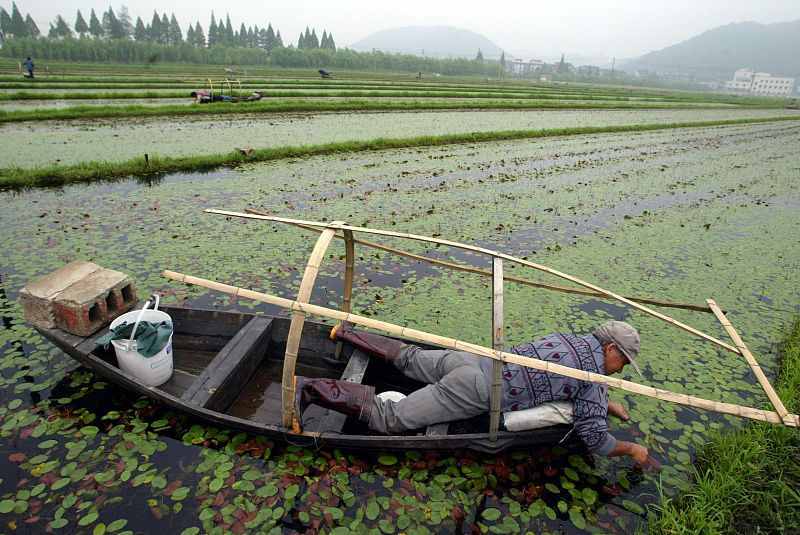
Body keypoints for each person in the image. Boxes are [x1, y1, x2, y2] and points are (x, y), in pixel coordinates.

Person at [296, 320, 659, 467]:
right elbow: (595, 439)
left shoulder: (569, 339)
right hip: (475, 389)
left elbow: (557, 378)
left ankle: (344, 332)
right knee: (393, 418)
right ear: (610, 348)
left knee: (407, 358)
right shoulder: (592, 377)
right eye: (623, 360)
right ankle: (313, 390)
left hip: (468, 361)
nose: (622, 368)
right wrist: (632, 449)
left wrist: (605, 403)